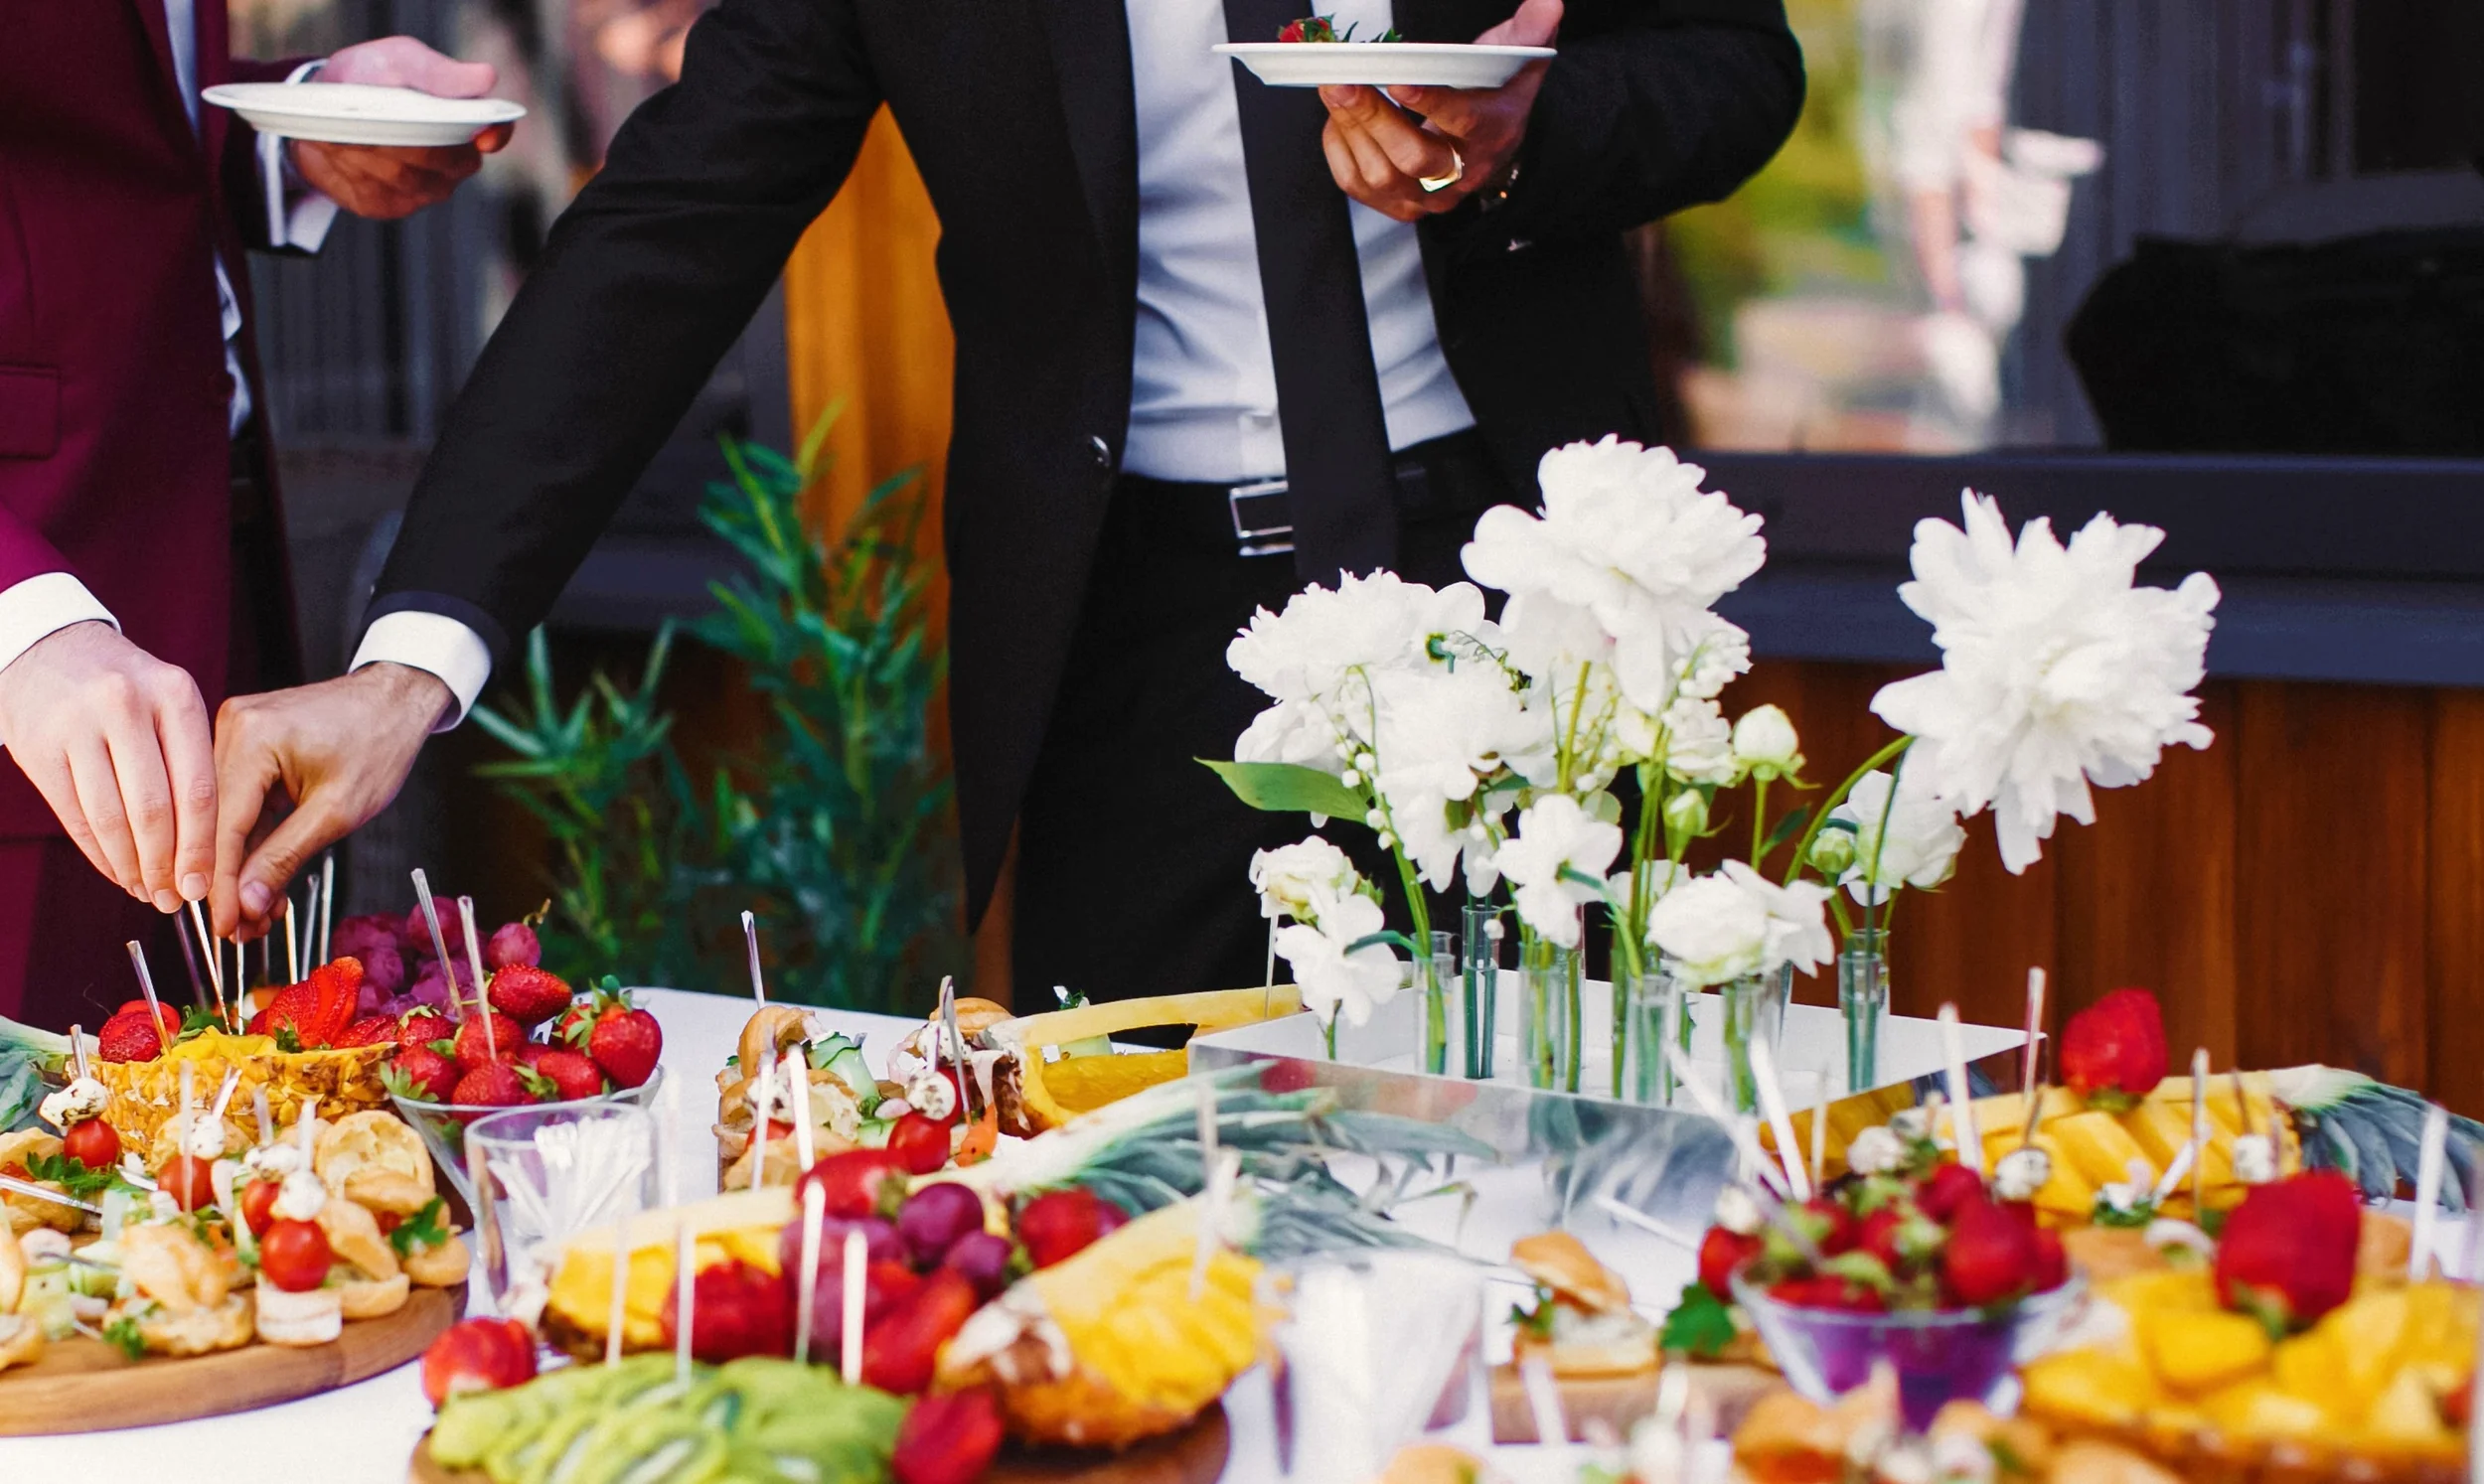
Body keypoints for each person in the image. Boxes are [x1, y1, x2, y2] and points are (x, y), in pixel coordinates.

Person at [208, 0, 1805, 1003]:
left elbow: (1736, 62)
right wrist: (409, 660)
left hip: (1513, 570)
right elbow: (669, 229)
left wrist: (1528, 134)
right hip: (1147, 638)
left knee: (1568, 1140)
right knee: (1149, 1203)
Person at [0, 11, 505, 1023]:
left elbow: (92, 131)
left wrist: (286, 132)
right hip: (38, 632)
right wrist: (16, 611)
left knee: (203, 1148)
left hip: (209, 572)